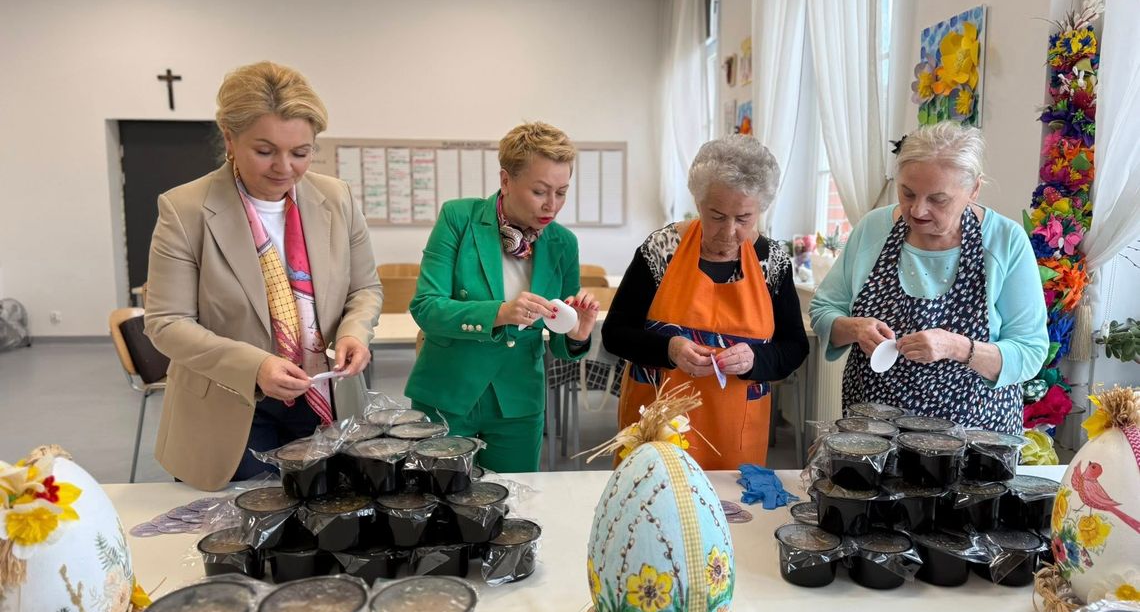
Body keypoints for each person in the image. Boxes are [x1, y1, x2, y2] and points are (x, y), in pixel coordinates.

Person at [145, 61, 382, 490]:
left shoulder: (336, 198)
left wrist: (354, 332)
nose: (284, 168)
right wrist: (254, 366)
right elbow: (166, 323)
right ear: (229, 138)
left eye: (301, 152)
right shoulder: (186, 209)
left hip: (324, 399)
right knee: (242, 537)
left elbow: (364, 288)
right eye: (265, 150)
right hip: (230, 408)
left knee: (325, 528)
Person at [810, 122, 1049, 432]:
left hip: (975, 438)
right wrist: (854, 328)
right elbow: (823, 311)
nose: (918, 210)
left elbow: (1030, 353)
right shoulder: (874, 229)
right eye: (907, 193)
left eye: (938, 199)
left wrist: (957, 348)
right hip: (874, 435)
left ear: (973, 189)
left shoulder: (1005, 241)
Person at [602, 135, 809, 469]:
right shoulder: (662, 249)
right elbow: (615, 333)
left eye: (743, 218)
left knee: (734, 517)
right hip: (658, 428)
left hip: (735, 434)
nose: (728, 232)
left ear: (761, 209)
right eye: (716, 215)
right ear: (698, 202)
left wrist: (755, 358)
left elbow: (794, 347)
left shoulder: (773, 262)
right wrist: (668, 348)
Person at [404, 122, 599, 473]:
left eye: (562, 192)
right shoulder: (458, 218)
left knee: (516, 507)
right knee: (435, 506)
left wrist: (576, 332)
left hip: (518, 402)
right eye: (540, 191)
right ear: (506, 181)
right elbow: (426, 307)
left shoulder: (562, 243)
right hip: (448, 392)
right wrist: (501, 312)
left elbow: (558, 342)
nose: (552, 206)